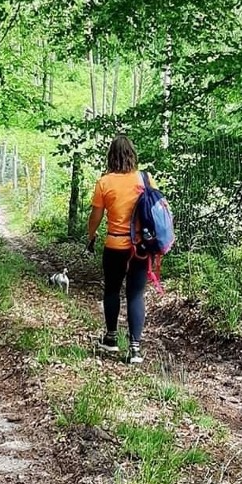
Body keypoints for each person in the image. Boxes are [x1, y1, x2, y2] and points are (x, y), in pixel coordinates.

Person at [86, 135, 151, 365]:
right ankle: (135, 349)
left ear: (111, 156)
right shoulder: (145, 179)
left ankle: (111, 338)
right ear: (132, 155)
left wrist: (91, 236)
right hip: (141, 248)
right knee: (135, 294)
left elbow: (95, 216)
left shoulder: (105, 182)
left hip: (114, 245)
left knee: (112, 290)